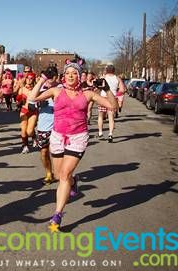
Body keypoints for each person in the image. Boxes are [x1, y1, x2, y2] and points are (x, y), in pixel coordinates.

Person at [26, 59, 117, 229]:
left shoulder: (88, 93)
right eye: (67, 73)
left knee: (64, 174)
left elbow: (113, 106)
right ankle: (74, 181)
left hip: (78, 138)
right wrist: (43, 78)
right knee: (61, 175)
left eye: (74, 73)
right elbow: (32, 99)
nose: (70, 76)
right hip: (58, 136)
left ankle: (57, 215)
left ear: (79, 76)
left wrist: (106, 89)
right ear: (63, 76)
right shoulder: (56, 91)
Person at [34, 66, 58, 185]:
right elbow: (31, 99)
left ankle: (62, 174)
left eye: (50, 76)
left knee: (57, 153)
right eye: (46, 76)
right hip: (43, 126)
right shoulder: (41, 88)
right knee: (44, 153)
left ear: (56, 77)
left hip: (58, 127)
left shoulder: (61, 88)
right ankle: (49, 173)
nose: (48, 78)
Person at [97, 65, 126, 142]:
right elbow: (122, 90)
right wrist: (116, 94)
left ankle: (100, 133)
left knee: (100, 116)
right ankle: (110, 134)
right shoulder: (117, 78)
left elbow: (97, 87)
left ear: (106, 70)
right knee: (111, 117)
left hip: (103, 98)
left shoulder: (103, 77)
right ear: (114, 71)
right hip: (112, 99)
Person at [16, 72, 38, 154]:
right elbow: (18, 100)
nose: (29, 79)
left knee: (29, 131)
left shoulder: (36, 89)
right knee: (23, 130)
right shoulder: (22, 88)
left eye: (31, 78)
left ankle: (34, 137)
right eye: (27, 78)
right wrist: (19, 99)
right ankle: (25, 146)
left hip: (33, 111)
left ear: (33, 80)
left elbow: (38, 98)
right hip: (24, 110)